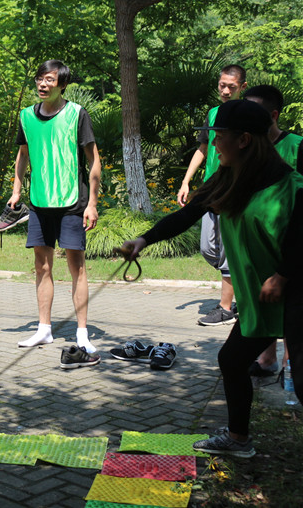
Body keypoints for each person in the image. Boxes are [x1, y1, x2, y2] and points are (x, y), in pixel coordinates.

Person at [122, 100, 303, 458]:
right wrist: (144, 239)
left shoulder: (291, 186)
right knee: (233, 361)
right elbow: (188, 213)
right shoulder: (228, 179)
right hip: (260, 299)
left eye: (219, 136)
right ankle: (238, 441)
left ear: (244, 140)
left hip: (295, 293)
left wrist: (283, 275)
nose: (213, 144)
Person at [6, 60, 102, 358]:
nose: (42, 84)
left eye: (49, 80)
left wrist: (93, 203)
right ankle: (44, 329)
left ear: (62, 85)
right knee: (42, 266)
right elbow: (23, 155)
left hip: (73, 202)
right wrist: (16, 189)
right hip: (39, 203)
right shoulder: (25, 116)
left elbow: (94, 160)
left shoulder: (77, 114)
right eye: (39, 79)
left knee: (77, 268)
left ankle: (83, 334)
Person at [177, 65, 248, 326]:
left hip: (237, 188)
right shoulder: (213, 113)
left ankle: (225, 308)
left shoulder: (249, 115)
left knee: (229, 251)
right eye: (222, 85)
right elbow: (203, 148)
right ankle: (242, 286)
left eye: (231, 86)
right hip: (211, 189)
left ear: (242, 86)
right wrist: (186, 181)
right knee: (209, 248)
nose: (226, 90)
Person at [241, 85, 303, 377]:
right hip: (258, 250)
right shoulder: (245, 150)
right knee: (261, 307)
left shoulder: (297, 147)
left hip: (291, 248)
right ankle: (267, 360)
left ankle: (290, 371)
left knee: (291, 313)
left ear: (273, 115)